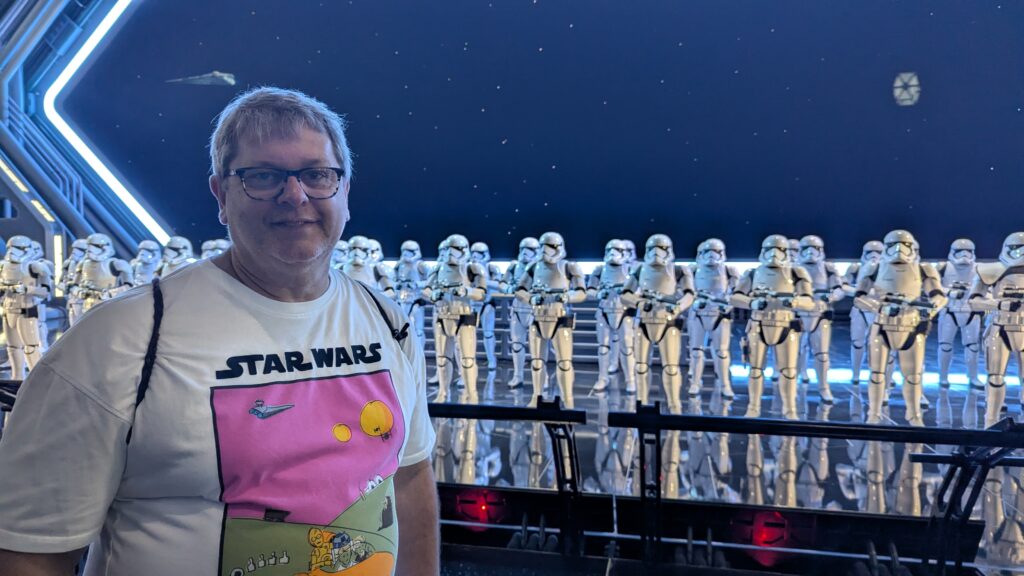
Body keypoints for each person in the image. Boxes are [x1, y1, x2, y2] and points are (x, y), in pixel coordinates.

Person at [0, 87, 438, 576]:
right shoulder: (119, 339)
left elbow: (408, 479)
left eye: (317, 174)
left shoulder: (386, 320)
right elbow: (30, 551)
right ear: (221, 196)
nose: (295, 196)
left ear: (345, 190)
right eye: (263, 177)